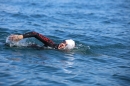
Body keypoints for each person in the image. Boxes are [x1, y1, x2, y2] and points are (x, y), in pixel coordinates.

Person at [8, 31, 75, 50]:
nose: (63, 44)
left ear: (67, 49)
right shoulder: (51, 44)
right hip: (20, 48)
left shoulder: (54, 49)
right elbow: (35, 33)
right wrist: (21, 36)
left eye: (65, 45)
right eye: (63, 42)